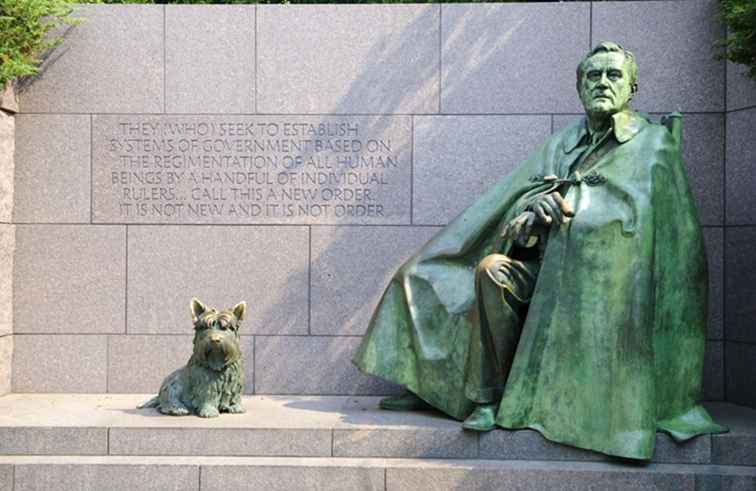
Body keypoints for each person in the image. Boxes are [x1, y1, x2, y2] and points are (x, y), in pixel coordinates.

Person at [352, 41, 726, 460]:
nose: (603, 83)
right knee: (475, 270)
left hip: (600, 288)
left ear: (632, 86)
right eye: (593, 75)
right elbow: (515, 200)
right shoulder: (562, 142)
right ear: (579, 86)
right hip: (541, 268)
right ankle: (479, 396)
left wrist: (580, 214)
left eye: (613, 75)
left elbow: (675, 247)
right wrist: (530, 212)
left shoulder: (653, 144)